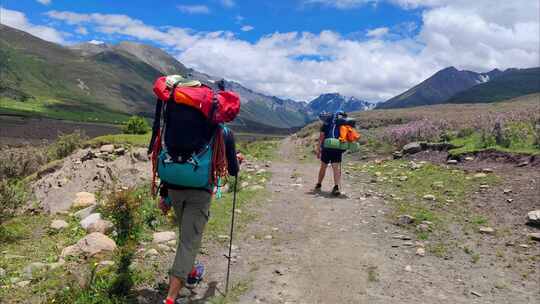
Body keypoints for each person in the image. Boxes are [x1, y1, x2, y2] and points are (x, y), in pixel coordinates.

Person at [148, 78, 240, 304]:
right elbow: (234, 170)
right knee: (189, 241)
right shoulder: (223, 132)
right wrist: (236, 160)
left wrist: (164, 194)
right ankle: (170, 298)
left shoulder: (170, 126)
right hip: (200, 190)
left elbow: (166, 152)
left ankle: (189, 272)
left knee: (186, 234)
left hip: (173, 187)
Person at [315, 116, 345, 196]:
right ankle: (336, 187)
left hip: (326, 148)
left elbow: (321, 137)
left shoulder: (326, 124)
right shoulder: (342, 124)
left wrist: (318, 150)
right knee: (336, 168)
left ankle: (319, 184)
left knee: (323, 167)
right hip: (337, 148)